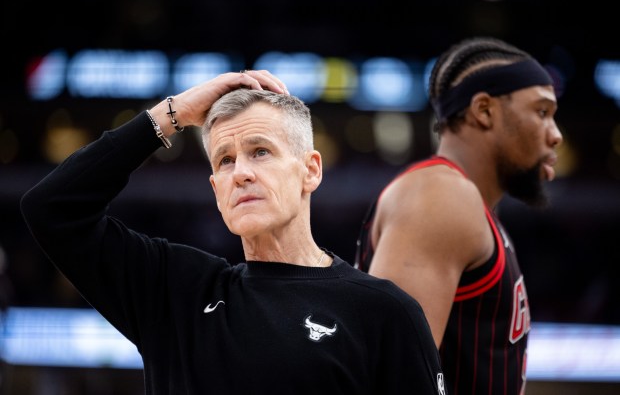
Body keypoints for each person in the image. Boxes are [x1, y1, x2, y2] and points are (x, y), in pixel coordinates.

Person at [21, 70, 445, 395]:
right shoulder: (176, 292)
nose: (240, 172)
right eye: (224, 160)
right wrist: (172, 114)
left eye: (260, 151)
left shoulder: (384, 312)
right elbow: (51, 208)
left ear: (310, 170)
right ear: (215, 190)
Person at [355, 37, 563, 395]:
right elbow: (389, 376)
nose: (556, 135)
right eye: (542, 112)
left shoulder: (465, 205)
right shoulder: (441, 196)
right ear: (484, 110)